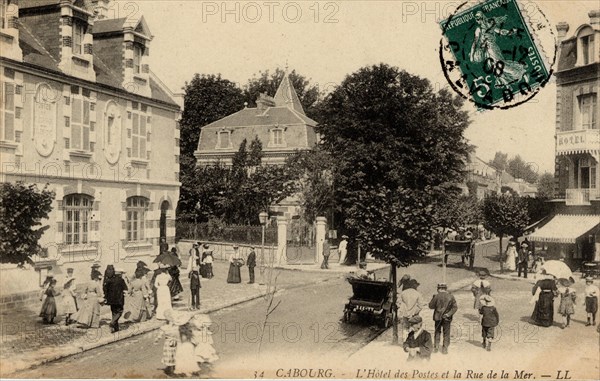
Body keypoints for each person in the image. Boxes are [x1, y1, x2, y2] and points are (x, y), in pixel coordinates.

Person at [469, 11, 528, 88]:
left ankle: (520, 72)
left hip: (492, 48)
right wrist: (472, 54)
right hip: (486, 51)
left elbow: (500, 31)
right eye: (476, 19)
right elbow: (475, 42)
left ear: (482, 17)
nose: (477, 21)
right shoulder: (480, 28)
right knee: (495, 67)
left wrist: (509, 32)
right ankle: (506, 83)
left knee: (500, 64)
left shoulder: (488, 26)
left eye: (478, 19)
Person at [428, 283, 458, 354]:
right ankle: (445, 349)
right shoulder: (451, 296)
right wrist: (448, 314)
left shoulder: (436, 296)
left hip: (437, 317)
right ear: (445, 288)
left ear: (439, 288)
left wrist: (433, 299)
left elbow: (430, 306)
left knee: (437, 332)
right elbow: (455, 307)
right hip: (447, 318)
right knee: (446, 333)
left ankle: (436, 347)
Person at [154, 309, 180, 376]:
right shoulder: (165, 327)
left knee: (175, 355)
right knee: (170, 356)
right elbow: (160, 335)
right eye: (171, 319)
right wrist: (156, 340)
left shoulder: (176, 326)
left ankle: (174, 368)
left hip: (175, 343)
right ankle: (171, 371)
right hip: (169, 344)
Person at [104, 267, 128, 333]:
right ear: (120, 274)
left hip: (111, 300)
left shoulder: (109, 280)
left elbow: (105, 289)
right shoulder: (121, 280)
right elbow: (126, 288)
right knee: (120, 311)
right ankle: (112, 323)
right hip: (119, 299)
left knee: (114, 312)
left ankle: (115, 328)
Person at [187, 246, 202, 310]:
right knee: (193, 290)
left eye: (194, 252)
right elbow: (189, 268)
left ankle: (197, 304)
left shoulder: (195, 258)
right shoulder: (191, 259)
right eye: (192, 252)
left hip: (196, 274)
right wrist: (190, 272)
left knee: (197, 290)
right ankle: (193, 304)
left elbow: (198, 263)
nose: (194, 253)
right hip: (193, 274)